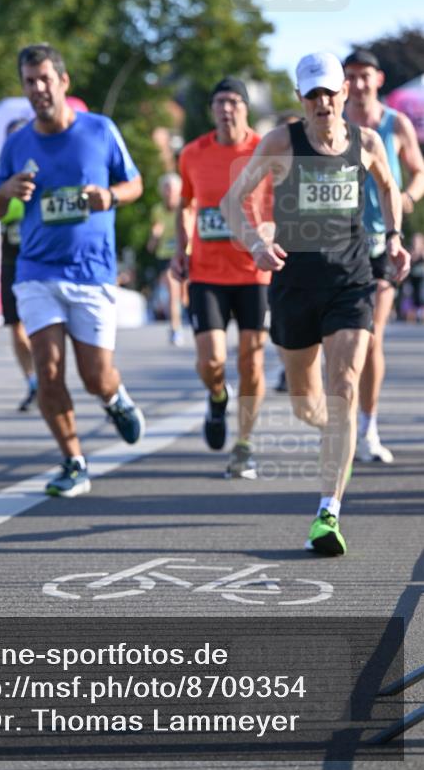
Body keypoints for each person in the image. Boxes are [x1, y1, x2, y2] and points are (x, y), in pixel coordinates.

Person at [221, 52, 409, 556]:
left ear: (344, 93)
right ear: (300, 99)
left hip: (351, 282)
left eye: (330, 92)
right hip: (293, 287)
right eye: (313, 94)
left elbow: (390, 188)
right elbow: (231, 200)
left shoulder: (367, 143)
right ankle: (338, 435)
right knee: (309, 405)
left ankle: (328, 510)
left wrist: (393, 237)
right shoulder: (283, 142)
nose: (323, 102)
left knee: (343, 385)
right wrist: (255, 245)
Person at [0, 43, 144, 497]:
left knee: (95, 376)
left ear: (63, 81)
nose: (37, 89)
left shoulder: (100, 130)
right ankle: (74, 461)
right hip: (36, 272)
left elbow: (134, 183)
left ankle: (115, 397)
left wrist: (110, 197)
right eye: (29, 82)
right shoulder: (16, 144)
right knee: (49, 371)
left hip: (92, 272)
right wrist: (9, 190)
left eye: (44, 79)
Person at [172, 77, 271, 479]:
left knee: (251, 361)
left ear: (246, 108)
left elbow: (282, 206)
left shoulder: (265, 153)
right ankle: (217, 395)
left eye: (233, 101)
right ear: (211, 110)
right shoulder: (193, 153)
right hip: (207, 273)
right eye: (219, 102)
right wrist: (181, 250)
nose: (226, 109)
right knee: (210, 360)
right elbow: (186, 205)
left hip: (252, 273)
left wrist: (271, 233)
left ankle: (244, 445)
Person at [343, 49, 424, 462]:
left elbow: (419, 170)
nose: (357, 84)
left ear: (378, 78)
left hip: (382, 242)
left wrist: (408, 196)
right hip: (336, 241)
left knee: (370, 336)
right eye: (350, 76)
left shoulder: (395, 123)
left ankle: (368, 428)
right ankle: (344, 423)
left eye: (364, 76)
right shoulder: (331, 123)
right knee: (341, 341)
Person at [0, 117, 38, 411]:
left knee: (39, 324)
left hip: (39, 256)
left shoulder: (42, 171)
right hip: (11, 257)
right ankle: (33, 381)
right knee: (15, 326)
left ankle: (46, 377)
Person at [147, 172, 186, 345]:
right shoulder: (157, 210)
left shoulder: (185, 207)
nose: (169, 192)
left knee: (184, 296)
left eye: (172, 188)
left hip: (186, 253)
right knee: (173, 289)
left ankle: (184, 310)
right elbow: (153, 238)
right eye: (166, 188)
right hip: (166, 256)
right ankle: (175, 328)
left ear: (179, 190)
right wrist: (155, 237)